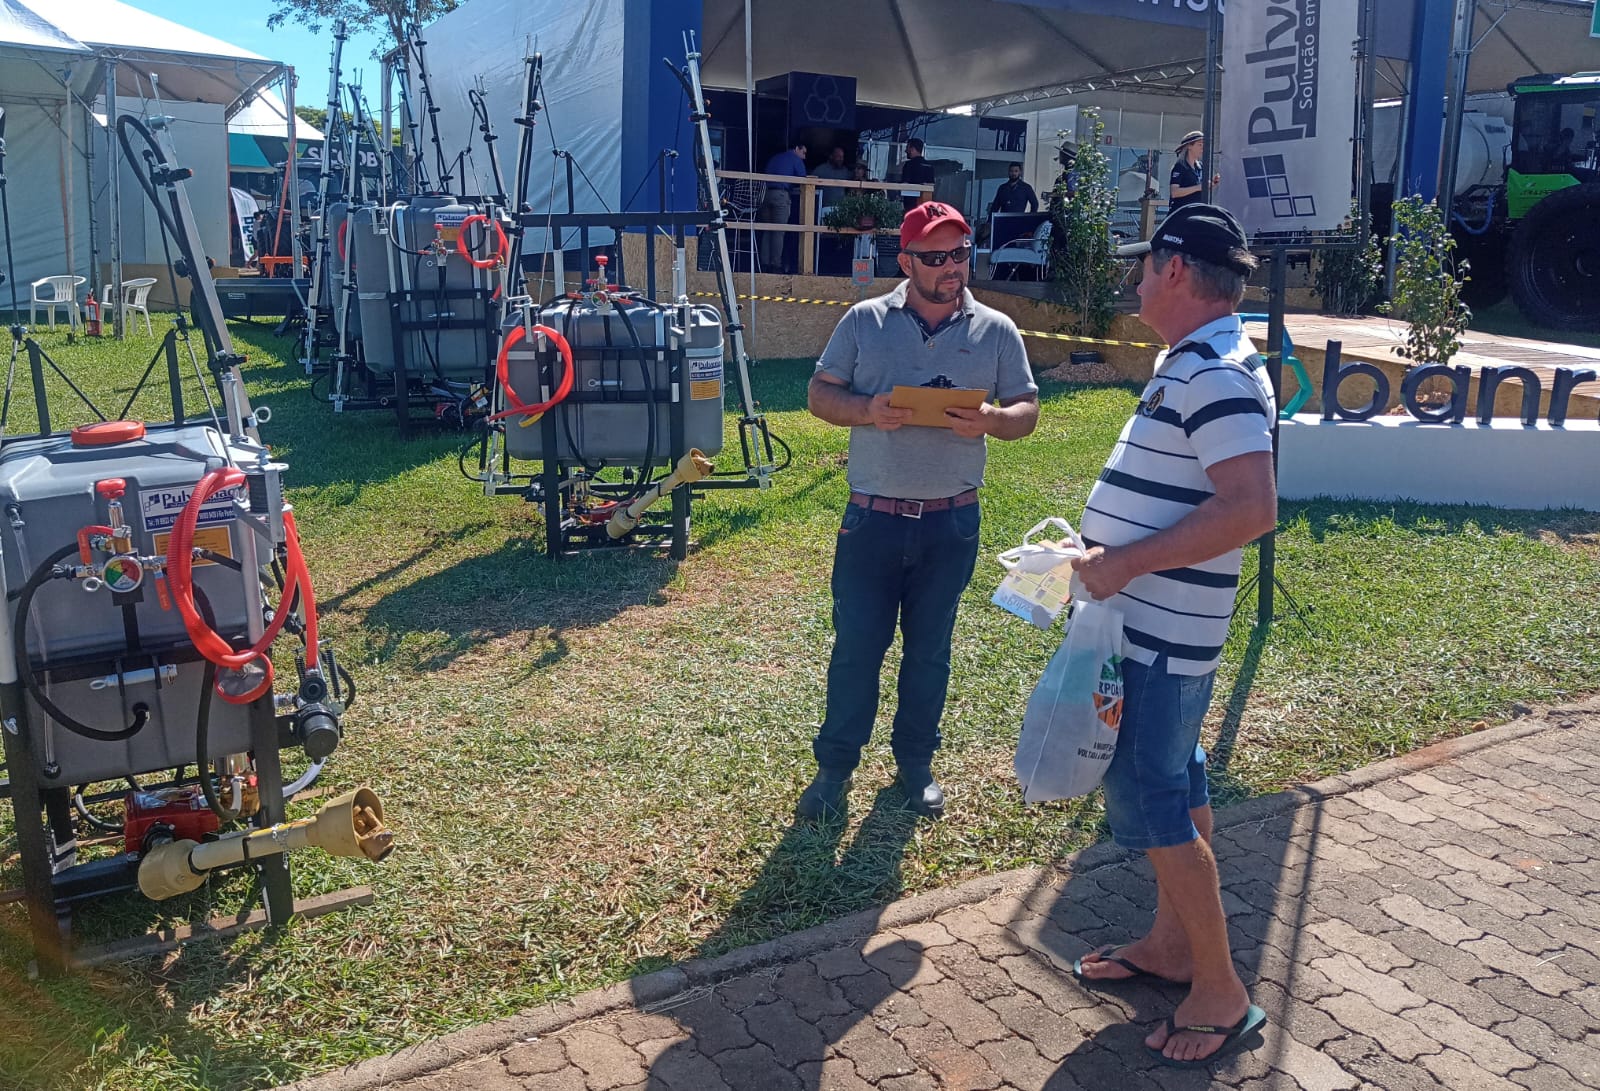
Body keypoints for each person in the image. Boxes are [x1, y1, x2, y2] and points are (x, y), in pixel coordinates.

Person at [1069, 203, 1275, 1068]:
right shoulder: (1197, 360)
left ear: (1178, 271)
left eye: (1146, 266)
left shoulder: (1214, 371)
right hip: (1154, 631)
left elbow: (1251, 509)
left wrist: (1122, 564)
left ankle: (1221, 990)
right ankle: (1172, 945)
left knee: (1156, 803)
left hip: (1160, 637)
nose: (1137, 280)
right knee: (1179, 787)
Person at [799, 201, 1040, 821]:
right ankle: (834, 769)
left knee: (930, 649)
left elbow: (1026, 412)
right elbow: (820, 395)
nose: (951, 267)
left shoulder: (996, 330)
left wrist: (992, 420)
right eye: (935, 257)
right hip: (872, 518)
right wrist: (867, 411)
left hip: (951, 520)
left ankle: (915, 764)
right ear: (905, 261)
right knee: (857, 646)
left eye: (960, 253)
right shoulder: (863, 321)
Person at [759, 136, 808, 273]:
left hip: (765, 195)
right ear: (797, 149)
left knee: (767, 230)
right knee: (778, 232)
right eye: (803, 152)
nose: (804, 157)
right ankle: (775, 265)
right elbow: (803, 178)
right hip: (781, 195)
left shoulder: (775, 158)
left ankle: (764, 264)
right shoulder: (795, 159)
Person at [1169, 131, 1220, 212]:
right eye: (1199, 144)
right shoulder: (1179, 167)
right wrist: (1198, 187)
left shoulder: (1200, 167)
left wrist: (1211, 184)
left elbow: (1200, 188)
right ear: (1189, 146)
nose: (1202, 148)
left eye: (1204, 145)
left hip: (1197, 212)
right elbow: (1175, 192)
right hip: (1180, 214)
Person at [898, 137, 937, 210]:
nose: (906, 151)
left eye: (907, 148)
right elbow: (931, 185)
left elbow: (904, 185)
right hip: (925, 206)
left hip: (910, 205)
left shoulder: (909, 165)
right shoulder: (929, 166)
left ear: (912, 149)